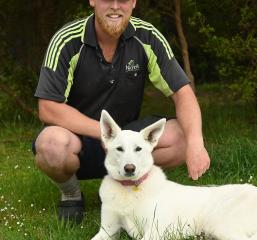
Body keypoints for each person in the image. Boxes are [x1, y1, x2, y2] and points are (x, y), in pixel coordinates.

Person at [33, 0, 210, 224]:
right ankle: (71, 194)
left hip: (128, 141)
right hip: (78, 141)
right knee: (51, 145)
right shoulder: (67, 40)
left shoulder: (147, 36)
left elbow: (183, 93)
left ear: (133, 2)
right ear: (93, 1)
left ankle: (130, 186)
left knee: (183, 137)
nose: (115, 6)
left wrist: (196, 141)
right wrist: (107, 135)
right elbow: (47, 107)